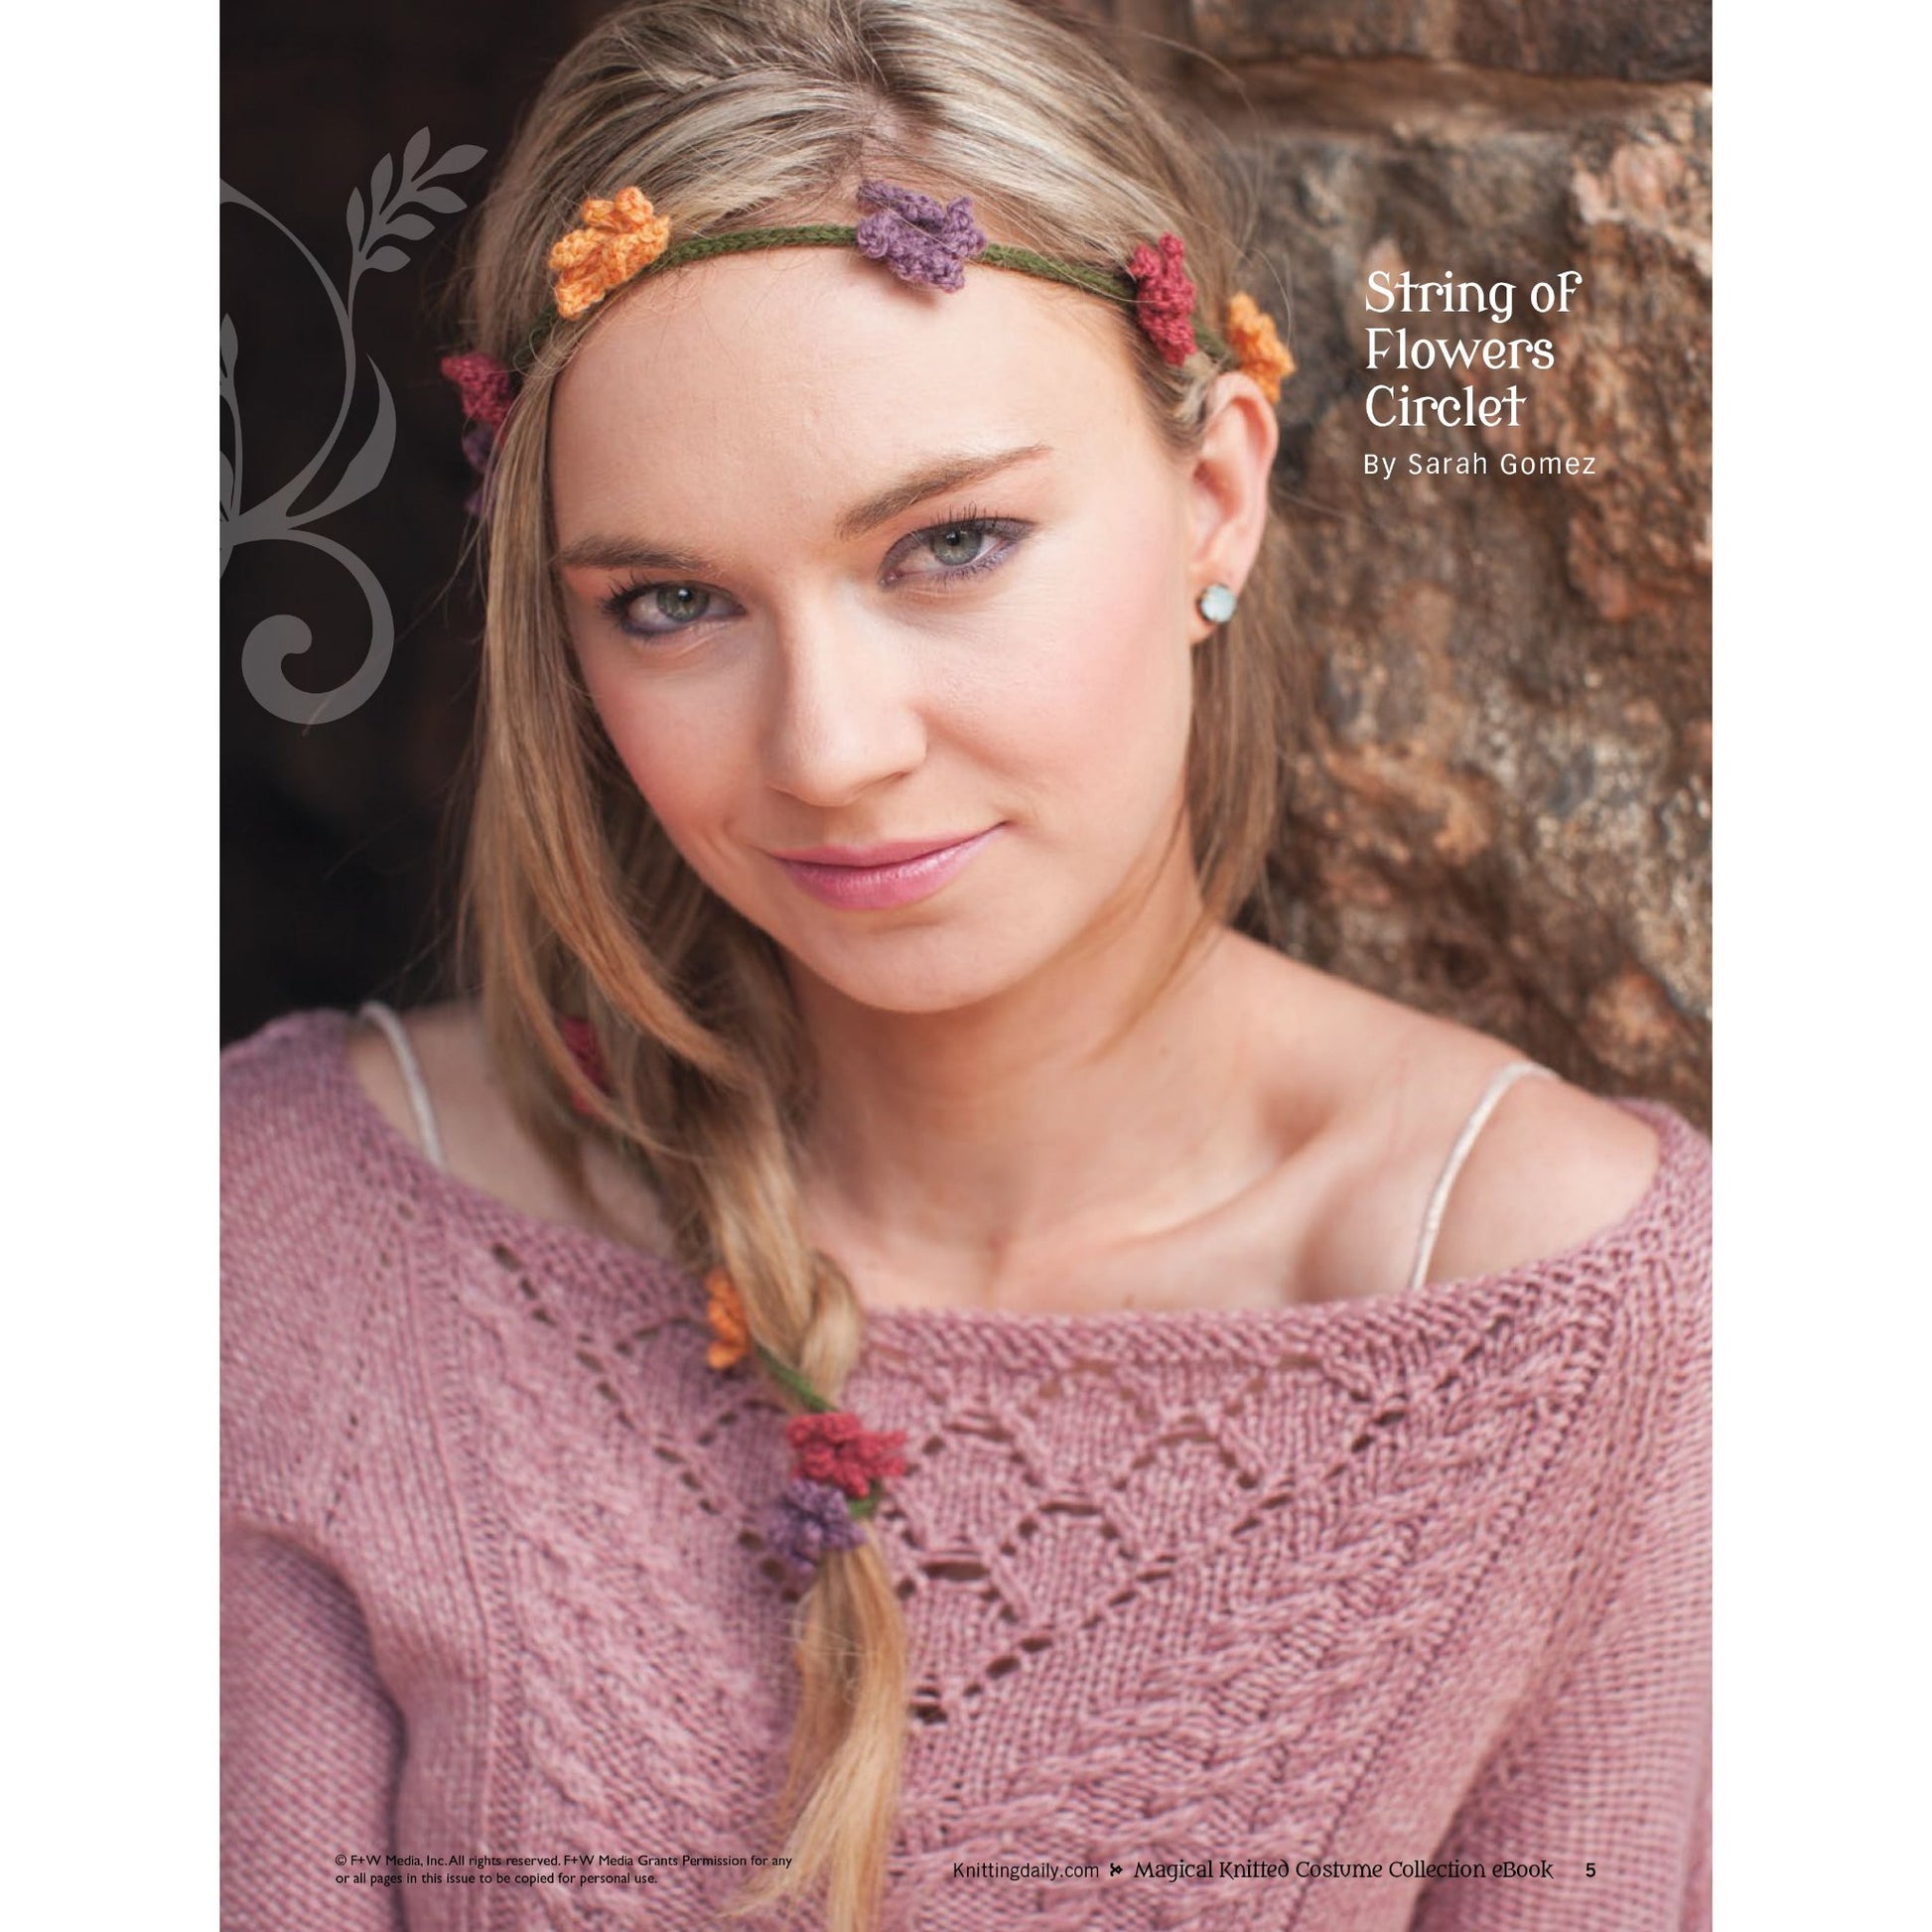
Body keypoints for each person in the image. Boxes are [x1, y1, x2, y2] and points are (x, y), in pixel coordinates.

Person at [219, 3, 1711, 1928]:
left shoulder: (1584, 1325)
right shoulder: (292, 1239)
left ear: (1214, 495)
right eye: (670, 603)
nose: (827, 748)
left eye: (950, 544)